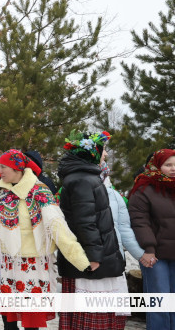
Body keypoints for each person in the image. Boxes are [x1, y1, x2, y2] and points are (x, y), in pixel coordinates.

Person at [0, 150, 90, 330]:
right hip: (7, 264)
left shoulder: (39, 191)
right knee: (9, 318)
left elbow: (57, 225)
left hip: (32, 266)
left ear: (17, 169)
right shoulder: (1, 190)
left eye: (4, 167)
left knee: (31, 320)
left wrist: (79, 259)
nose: (0, 172)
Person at [57, 131, 127, 330]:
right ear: (91, 152)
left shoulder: (84, 177)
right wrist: (94, 256)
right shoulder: (82, 180)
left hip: (97, 252)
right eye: (103, 150)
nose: (105, 155)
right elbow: (85, 221)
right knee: (91, 315)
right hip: (92, 258)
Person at [128, 148, 175, 329]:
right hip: (156, 256)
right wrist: (148, 249)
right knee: (160, 300)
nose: (173, 169)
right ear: (156, 166)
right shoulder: (144, 188)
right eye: (168, 165)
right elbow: (140, 221)